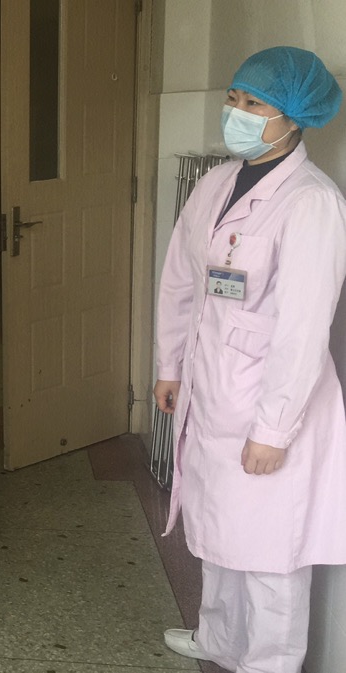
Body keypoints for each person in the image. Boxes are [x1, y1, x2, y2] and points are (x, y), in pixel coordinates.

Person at [154, 46, 346, 673]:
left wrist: (273, 430)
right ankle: (219, 640)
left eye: (254, 104)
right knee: (218, 529)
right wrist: (170, 365)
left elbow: (303, 329)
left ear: (293, 117)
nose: (236, 112)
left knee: (268, 553)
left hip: (271, 403)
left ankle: (269, 664)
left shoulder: (311, 202)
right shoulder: (216, 183)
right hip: (212, 389)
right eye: (233, 98)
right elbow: (181, 280)